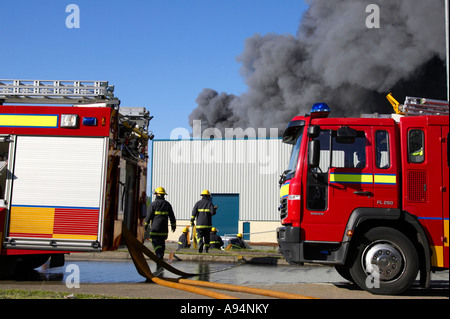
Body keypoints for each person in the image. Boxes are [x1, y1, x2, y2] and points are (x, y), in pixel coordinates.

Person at [145, 187, 176, 266]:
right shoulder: (167, 204)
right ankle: (160, 256)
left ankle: (159, 255)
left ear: (157, 195)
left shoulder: (153, 204)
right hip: (164, 230)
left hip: (155, 229)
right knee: (162, 244)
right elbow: (172, 216)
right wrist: (173, 225)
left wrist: (145, 226)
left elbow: (148, 216)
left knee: (155, 243)